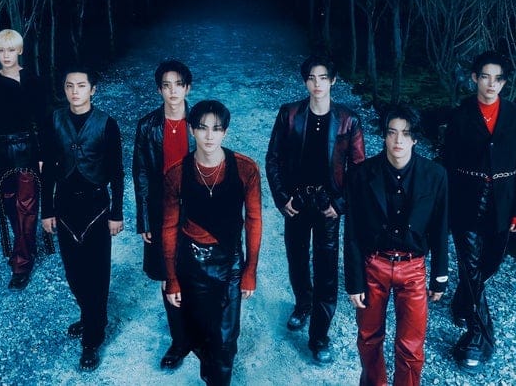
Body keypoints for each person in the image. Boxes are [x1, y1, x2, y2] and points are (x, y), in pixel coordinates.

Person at [265, 54, 365, 363]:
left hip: (328, 206)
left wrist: (340, 203)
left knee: (326, 270)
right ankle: (303, 303)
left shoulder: (348, 120)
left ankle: (320, 337)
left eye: (323, 78)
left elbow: (358, 170)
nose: (317, 84)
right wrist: (282, 198)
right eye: (311, 78)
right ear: (305, 81)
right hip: (296, 202)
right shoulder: (290, 114)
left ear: (333, 80)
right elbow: (273, 158)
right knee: (296, 259)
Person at [344, 105, 448, 386]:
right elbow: (352, 231)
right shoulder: (361, 175)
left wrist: (439, 276)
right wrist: (354, 282)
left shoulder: (435, 175)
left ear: (415, 138)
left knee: (411, 346)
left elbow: (440, 228)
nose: (398, 140)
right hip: (373, 264)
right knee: (368, 337)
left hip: (413, 268)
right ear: (384, 136)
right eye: (392, 133)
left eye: (405, 134)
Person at [162, 100, 262, 385]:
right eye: (202, 128)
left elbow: (254, 220)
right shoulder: (177, 173)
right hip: (191, 265)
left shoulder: (245, 168)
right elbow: (169, 226)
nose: (209, 136)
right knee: (200, 336)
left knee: (225, 340)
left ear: (225, 132)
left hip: (229, 264)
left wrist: (250, 270)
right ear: (191, 130)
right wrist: (172, 278)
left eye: (216, 129)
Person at [444, 51, 516, 371]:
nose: (491, 84)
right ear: (474, 78)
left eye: (498, 79)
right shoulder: (459, 115)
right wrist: (442, 205)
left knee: (490, 263)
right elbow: (447, 163)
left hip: (502, 203)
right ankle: (480, 336)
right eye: (485, 77)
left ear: (504, 83)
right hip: (465, 200)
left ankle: (462, 302)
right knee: (470, 266)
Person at [41, 67, 124, 371]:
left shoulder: (107, 124)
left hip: (96, 207)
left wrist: (117, 213)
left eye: (81, 85)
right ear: (64, 90)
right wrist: (46, 211)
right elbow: (48, 170)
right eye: (69, 86)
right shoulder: (54, 120)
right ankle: (93, 316)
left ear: (93, 89)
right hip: (65, 206)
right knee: (74, 273)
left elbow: (117, 172)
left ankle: (92, 339)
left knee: (96, 274)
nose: (75, 91)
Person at [132, 60, 195, 369]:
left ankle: (200, 332)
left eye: (178, 85)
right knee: (168, 274)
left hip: (195, 210)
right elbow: (141, 173)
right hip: (161, 211)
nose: (173, 91)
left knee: (197, 271)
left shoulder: (199, 122)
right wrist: (144, 218)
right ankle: (179, 341)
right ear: (159, 90)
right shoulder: (147, 126)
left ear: (187, 88)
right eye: (166, 86)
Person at [0, 29, 47, 290]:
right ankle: (26, 243)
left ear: (20, 51)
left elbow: (44, 121)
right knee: (8, 205)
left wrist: (44, 154)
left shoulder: (34, 82)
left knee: (26, 205)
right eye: (1, 50)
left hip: (26, 148)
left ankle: (21, 264)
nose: (6, 55)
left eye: (11, 50)